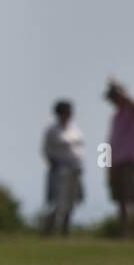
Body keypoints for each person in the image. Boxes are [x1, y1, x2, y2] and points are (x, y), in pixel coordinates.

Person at [104, 80, 134, 239]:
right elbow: (109, 142)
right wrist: (106, 165)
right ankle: (124, 234)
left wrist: (118, 88)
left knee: (133, 200)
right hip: (115, 164)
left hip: (129, 162)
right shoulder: (114, 117)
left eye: (114, 96)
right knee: (120, 201)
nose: (113, 100)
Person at [41, 100, 84, 236]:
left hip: (75, 168)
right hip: (60, 169)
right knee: (58, 202)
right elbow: (47, 150)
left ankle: (66, 230)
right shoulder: (52, 131)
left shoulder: (75, 130)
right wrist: (55, 164)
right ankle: (49, 229)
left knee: (71, 201)